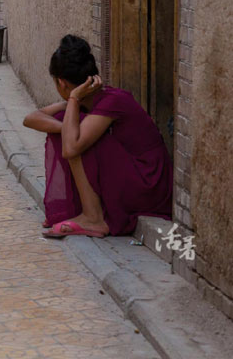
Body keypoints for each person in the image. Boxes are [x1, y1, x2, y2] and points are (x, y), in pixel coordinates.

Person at [23, 35, 173, 238]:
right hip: (134, 175)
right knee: (68, 125)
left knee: (76, 139)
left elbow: (70, 148)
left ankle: (93, 218)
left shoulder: (111, 100)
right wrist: (69, 122)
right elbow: (31, 119)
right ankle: (83, 210)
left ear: (61, 83)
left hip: (149, 182)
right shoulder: (87, 100)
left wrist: (74, 103)